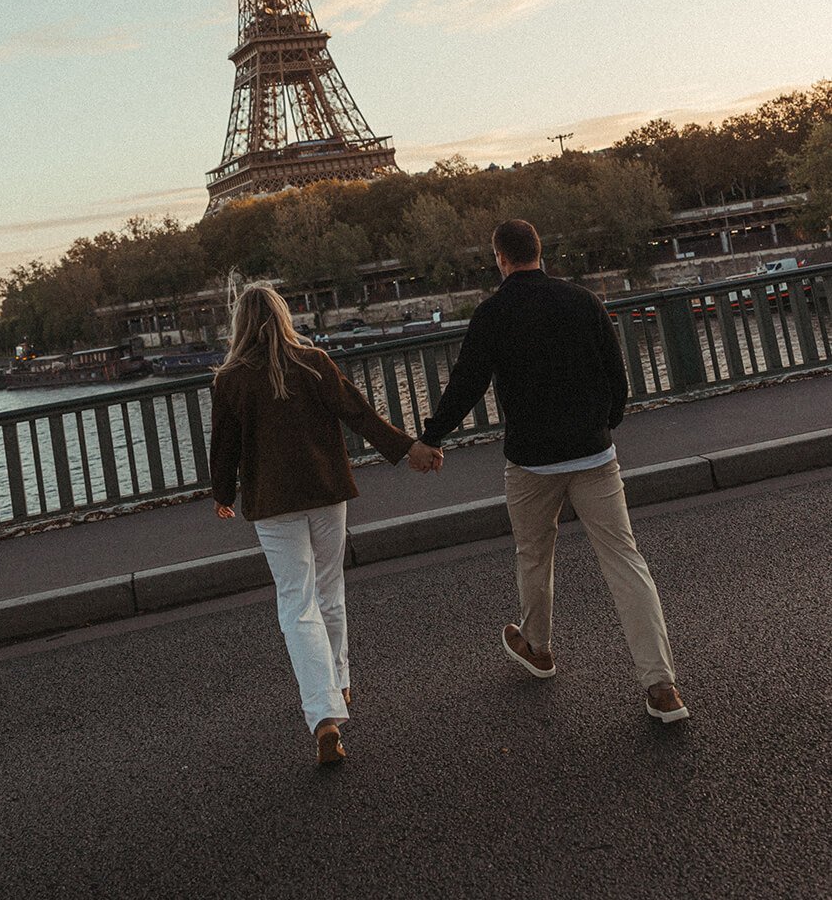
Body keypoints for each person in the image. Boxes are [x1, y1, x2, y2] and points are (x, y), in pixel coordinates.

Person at [421, 219, 689, 724]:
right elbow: (616, 375)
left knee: (534, 553)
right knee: (625, 562)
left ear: (500, 258)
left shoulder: (493, 313)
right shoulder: (582, 300)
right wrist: (603, 425)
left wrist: (432, 437)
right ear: (539, 252)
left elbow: (466, 385)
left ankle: (538, 646)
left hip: (531, 461)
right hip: (593, 454)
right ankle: (661, 687)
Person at [210, 282, 443, 764]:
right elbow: (359, 414)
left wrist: (221, 494)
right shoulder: (315, 363)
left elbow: (224, 447)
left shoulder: (230, 379)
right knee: (329, 590)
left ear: (240, 325)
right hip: (326, 491)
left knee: (296, 602)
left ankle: (323, 715)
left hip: (272, 502)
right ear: (283, 316)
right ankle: (338, 683)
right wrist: (407, 450)